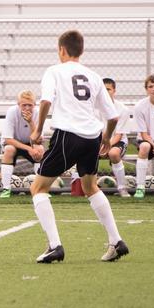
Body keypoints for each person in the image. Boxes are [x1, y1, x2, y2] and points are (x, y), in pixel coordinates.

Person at [29, 30, 129, 263]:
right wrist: (106, 138)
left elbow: (46, 100)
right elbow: (113, 116)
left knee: (38, 188)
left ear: (62, 50)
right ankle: (116, 241)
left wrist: (38, 130)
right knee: (90, 187)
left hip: (68, 135)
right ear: (81, 50)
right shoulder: (94, 76)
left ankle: (55, 246)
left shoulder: (54, 71)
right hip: (92, 137)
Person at [0, 90, 43, 198]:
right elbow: (8, 139)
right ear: (18, 105)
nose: (27, 108)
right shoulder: (12, 112)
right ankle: (6, 189)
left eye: (30, 105)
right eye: (24, 105)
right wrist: (29, 149)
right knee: (9, 149)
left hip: (30, 143)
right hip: (14, 143)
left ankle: (40, 189)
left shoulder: (38, 113)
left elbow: (38, 140)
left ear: (34, 105)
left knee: (39, 149)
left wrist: (31, 122)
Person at [101, 78, 132, 197]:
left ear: (114, 91)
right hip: (100, 141)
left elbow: (119, 134)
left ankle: (122, 188)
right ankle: (90, 188)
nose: (106, 92)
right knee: (87, 152)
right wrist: (100, 146)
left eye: (108, 89)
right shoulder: (94, 108)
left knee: (113, 153)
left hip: (118, 141)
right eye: (103, 90)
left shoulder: (122, 109)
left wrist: (107, 146)